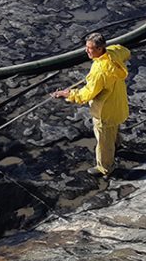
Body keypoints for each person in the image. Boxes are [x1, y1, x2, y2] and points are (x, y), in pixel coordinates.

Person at [52, 32, 130, 178]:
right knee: (114, 127)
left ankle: (105, 167)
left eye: (90, 48)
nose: (86, 51)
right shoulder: (113, 52)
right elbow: (125, 51)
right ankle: (117, 145)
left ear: (100, 49)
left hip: (105, 110)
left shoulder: (100, 71)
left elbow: (85, 95)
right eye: (86, 47)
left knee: (103, 140)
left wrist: (66, 94)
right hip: (118, 104)